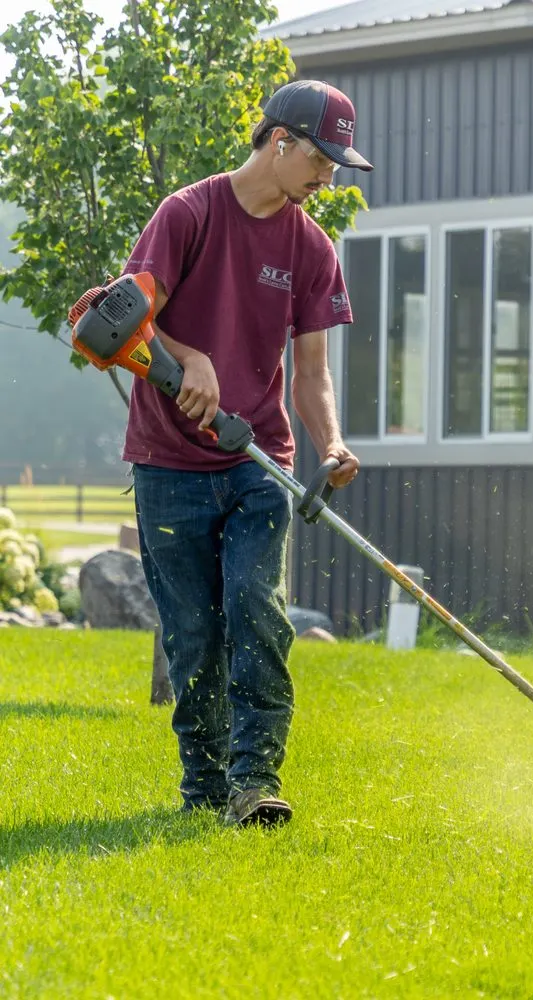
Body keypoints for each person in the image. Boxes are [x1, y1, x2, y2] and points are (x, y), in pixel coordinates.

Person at [121, 80, 373, 827]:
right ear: (279, 140)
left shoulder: (312, 248)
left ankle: (255, 783)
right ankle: (204, 790)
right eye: (323, 159)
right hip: (167, 463)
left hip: (256, 460)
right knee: (193, 634)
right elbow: (119, 321)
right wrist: (187, 355)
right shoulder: (187, 214)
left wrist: (331, 443)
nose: (329, 176)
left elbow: (313, 374)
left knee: (255, 612)